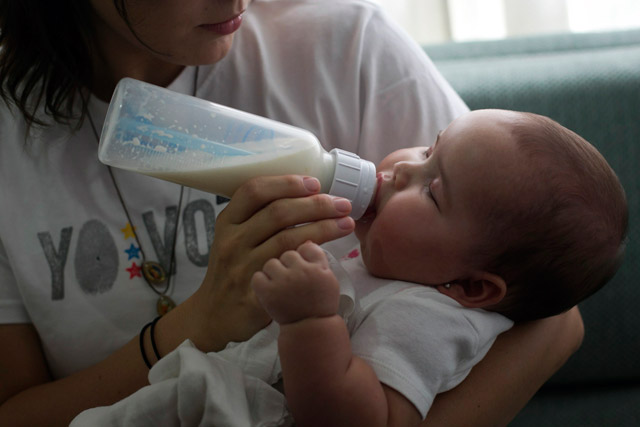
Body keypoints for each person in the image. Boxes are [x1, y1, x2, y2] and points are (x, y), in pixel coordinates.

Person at [0, 0, 584, 425]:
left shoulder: (346, 47)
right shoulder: (12, 139)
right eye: (426, 153)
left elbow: (549, 315)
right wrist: (195, 327)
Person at [251, 109, 628, 425]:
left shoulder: (427, 318)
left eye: (432, 192)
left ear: (470, 287)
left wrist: (310, 322)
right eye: (428, 150)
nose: (402, 168)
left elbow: (368, 421)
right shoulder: (396, 258)